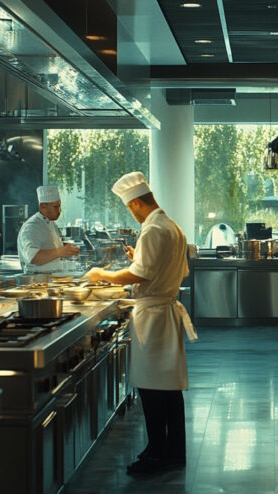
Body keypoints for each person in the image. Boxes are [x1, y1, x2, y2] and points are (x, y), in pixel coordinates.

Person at [82, 172, 197, 475]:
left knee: (152, 389)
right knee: (168, 389)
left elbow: (140, 275)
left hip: (153, 319)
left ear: (135, 203)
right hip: (165, 313)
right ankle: (172, 452)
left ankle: (157, 454)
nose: (130, 214)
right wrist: (139, 260)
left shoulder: (151, 230)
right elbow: (173, 269)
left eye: (128, 208)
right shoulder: (172, 227)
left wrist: (100, 274)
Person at [17, 185, 79, 273]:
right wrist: (60, 251)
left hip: (53, 279)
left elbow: (53, 252)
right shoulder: (31, 227)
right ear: (42, 206)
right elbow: (33, 257)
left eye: (59, 206)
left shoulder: (52, 224)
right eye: (55, 207)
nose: (59, 211)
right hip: (36, 281)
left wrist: (68, 251)